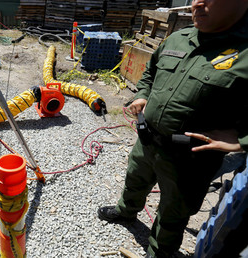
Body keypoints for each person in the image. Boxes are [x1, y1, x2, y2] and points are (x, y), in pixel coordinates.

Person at [97, 0, 248, 257]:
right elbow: (150, 72)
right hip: (147, 139)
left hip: (190, 160)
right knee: (135, 179)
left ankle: (159, 251)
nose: (196, 3)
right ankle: (126, 211)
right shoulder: (178, 38)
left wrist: (241, 141)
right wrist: (142, 95)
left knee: (173, 212)